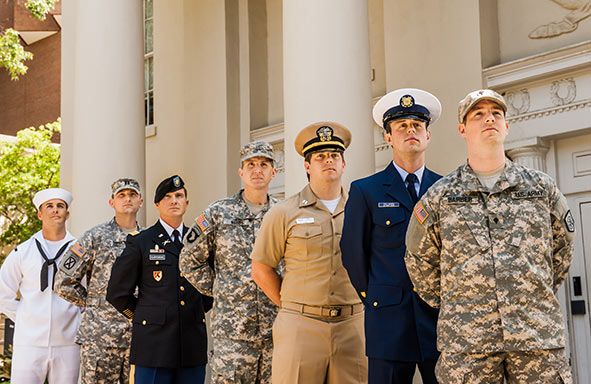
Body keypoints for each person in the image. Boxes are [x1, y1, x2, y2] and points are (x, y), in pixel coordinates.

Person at [405, 89, 574, 383]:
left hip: (536, 335)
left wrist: (531, 291)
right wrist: (462, 302)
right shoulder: (441, 197)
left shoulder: (541, 189)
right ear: (462, 129)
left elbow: (561, 250)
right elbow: (420, 261)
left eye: (496, 114)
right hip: (468, 342)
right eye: (478, 114)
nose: (489, 119)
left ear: (506, 126)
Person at [251, 122, 367, 384]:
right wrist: (291, 305)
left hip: (353, 325)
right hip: (301, 327)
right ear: (307, 165)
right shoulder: (284, 212)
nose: (329, 161)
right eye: (320, 156)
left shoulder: (362, 209)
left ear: (344, 163)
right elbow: (261, 267)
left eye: (334, 155)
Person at [341, 88, 442, 384]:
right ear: (388, 137)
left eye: (417, 126)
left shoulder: (445, 190)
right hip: (388, 319)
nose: (410, 131)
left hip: (438, 319)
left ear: (427, 135)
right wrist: (375, 295)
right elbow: (353, 254)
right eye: (401, 126)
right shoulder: (366, 190)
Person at [179, 141, 278, 383]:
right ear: (241, 172)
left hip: (275, 329)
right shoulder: (218, 213)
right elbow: (189, 260)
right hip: (233, 333)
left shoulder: (283, 213)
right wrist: (219, 288)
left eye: (264, 164)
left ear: (274, 172)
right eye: (251, 164)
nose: (257, 170)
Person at [107, 175, 213, 384]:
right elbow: (117, 293)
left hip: (191, 344)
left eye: (179, 196)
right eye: (167, 197)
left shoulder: (200, 241)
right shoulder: (141, 242)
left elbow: (210, 287)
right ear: (157, 204)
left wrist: (195, 309)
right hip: (153, 346)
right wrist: (144, 315)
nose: (174, 201)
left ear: (186, 203)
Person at [54, 178, 143, 383]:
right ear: (112, 203)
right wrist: (93, 303)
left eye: (132, 195)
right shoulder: (94, 237)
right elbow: (62, 281)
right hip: (100, 339)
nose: (127, 199)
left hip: (138, 338)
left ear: (140, 201)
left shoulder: (149, 239)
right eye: (121, 195)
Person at [0, 188, 80, 383]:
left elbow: (92, 291)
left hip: (68, 342)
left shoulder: (79, 250)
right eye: (49, 206)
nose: (55, 210)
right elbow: (3, 292)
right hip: (29, 344)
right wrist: (26, 316)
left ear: (67, 213)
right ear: (39, 213)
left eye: (60, 206)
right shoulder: (23, 251)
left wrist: (78, 321)